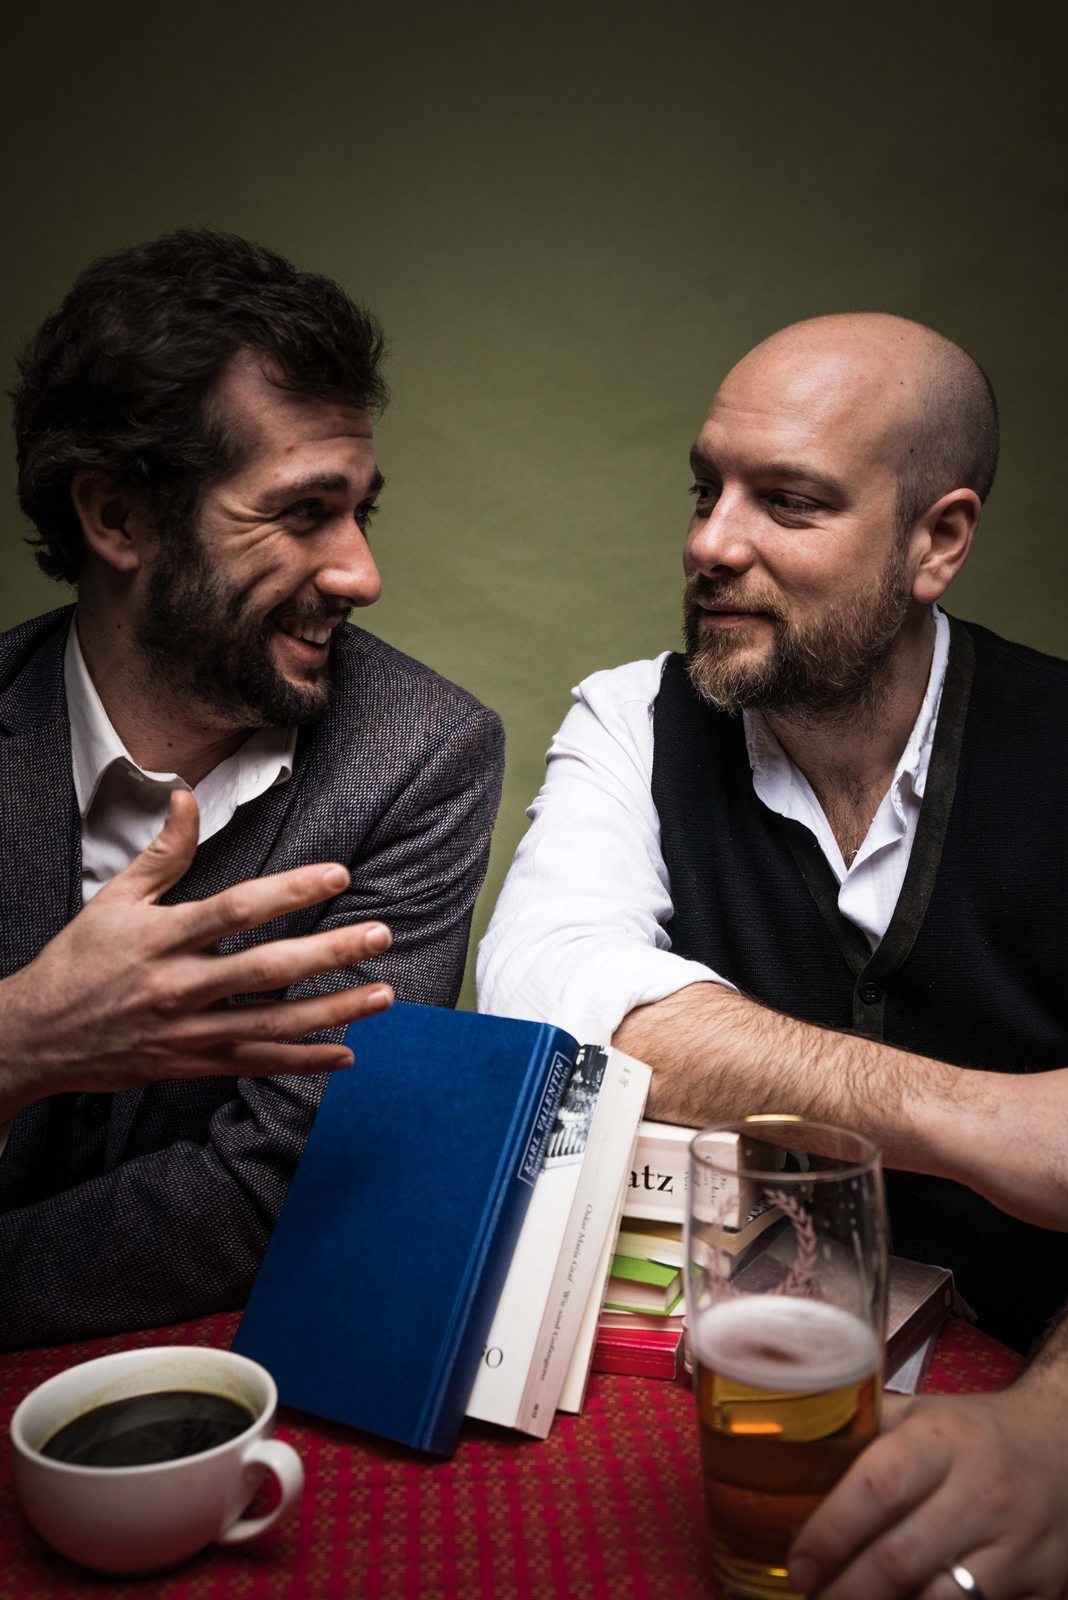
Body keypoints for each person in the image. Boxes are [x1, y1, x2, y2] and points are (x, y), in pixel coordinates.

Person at [479, 312, 1068, 1595]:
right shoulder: (633, 718)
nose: (709, 542)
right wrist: (982, 1120)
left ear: (938, 541)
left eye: (788, 502)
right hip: (722, 1396)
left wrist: (1053, 1426)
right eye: (706, 489)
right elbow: (549, 990)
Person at [0, 230, 503, 1351]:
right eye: (302, 512)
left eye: (362, 510)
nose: (362, 572)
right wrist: (21, 1040)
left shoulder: (425, 755)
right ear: (117, 516)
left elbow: (280, 1176)